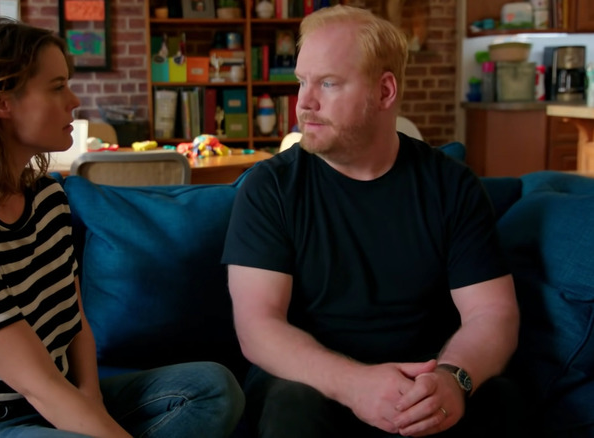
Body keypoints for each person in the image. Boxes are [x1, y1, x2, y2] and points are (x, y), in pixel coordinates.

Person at [0, 18, 244, 438]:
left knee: (210, 388)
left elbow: (74, 320)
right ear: (0, 103)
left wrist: (93, 401)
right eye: (57, 86)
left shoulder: (46, 197)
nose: (74, 100)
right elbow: (37, 385)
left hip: (53, 401)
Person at [222, 5, 522, 438]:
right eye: (302, 82)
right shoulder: (269, 188)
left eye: (327, 83)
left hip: (425, 383)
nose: (303, 103)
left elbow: (492, 313)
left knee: (505, 400)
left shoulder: (451, 185)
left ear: (385, 92)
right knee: (292, 405)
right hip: (313, 384)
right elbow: (258, 327)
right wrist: (354, 385)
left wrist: (454, 379)